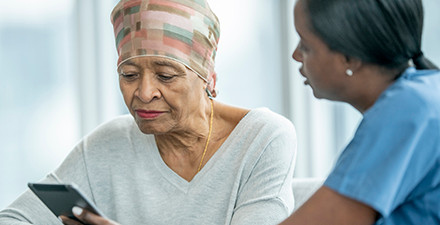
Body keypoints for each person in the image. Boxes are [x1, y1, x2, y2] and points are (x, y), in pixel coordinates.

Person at [0, 0, 297, 224]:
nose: (143, 93)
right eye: (129, 75)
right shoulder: (108, 144)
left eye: (166, 76)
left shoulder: (263, 139)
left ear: (209, 78)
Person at [280, 0, 440, 224]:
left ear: (350, 59)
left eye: (305, 46)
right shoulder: (426, 92)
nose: (296, 55)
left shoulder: (408, 111)